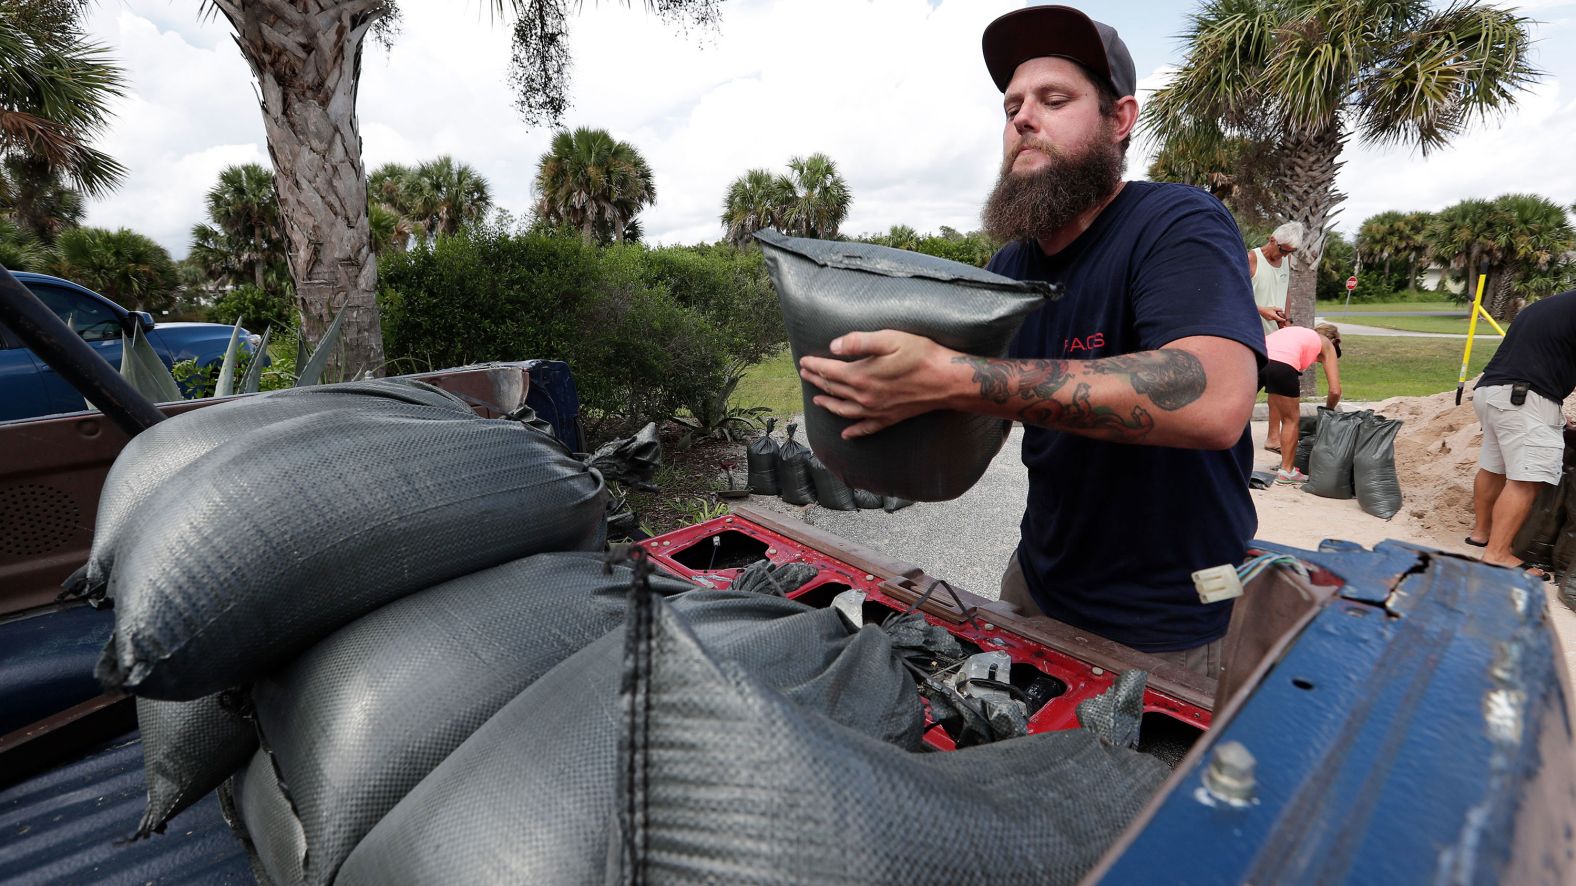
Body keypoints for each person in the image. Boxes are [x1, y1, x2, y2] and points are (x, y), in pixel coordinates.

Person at [796, 6, 1264, 678]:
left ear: (1120, 119)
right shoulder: (1009, 271)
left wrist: (955, 377)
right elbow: (965, 414)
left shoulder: (1175, 223)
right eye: (1012, 104)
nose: (1022, 118)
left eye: (1055, 99)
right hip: (1035, 584)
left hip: (1171, 629)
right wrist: (870, 421)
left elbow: (1215, 399)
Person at [1466, 289, 1576, 580]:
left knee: (1494, 467)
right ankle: (1497, 555)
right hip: (1526, 397)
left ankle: (1481, 534)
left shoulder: (1547, 305)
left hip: (1491, 391)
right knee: (1528, 479)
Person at [1259, 323, 1342, 484]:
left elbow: (1275, 396)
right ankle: (1287, 471)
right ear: (1335, 341)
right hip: (1281, 365)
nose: (1317, 361)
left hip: (1256, 358)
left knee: (1239, 415)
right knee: (1291, 420)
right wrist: (1328, 411)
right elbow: (1335, 390)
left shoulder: (1296, 333)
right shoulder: (1326, 343)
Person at [1250, 221, 1304, 453]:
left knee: (1277, 386)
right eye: (1283, 250)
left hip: (1277, 334)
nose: (1286, 255)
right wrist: (1263, 310)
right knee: (1247, 388)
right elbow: (1235, 295)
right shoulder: (1251, 259)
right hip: (1251, 333)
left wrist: (1287, 321)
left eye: (1291, 252)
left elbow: (1286, 292)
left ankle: (1273, 437)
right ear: (1272, 239)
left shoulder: (1286, 260)